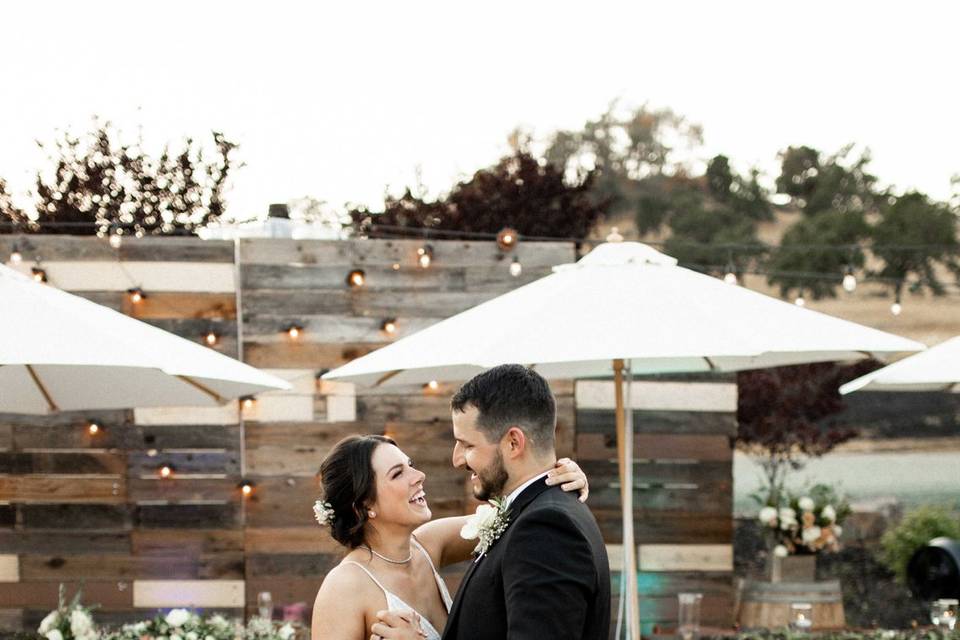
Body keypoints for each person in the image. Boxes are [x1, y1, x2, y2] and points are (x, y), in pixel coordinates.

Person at [372, 364, 611, 640]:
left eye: (468, 445)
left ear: (513, 443)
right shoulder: (537, 513)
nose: (457, 459)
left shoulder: (545, 529)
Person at [310, 432, 591, 640]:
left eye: (411, 464)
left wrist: (554, 478)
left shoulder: (428, 545)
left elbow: (521, 516)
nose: (418, 475)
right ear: (363, 505)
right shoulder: (345, 587)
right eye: (398, 474)